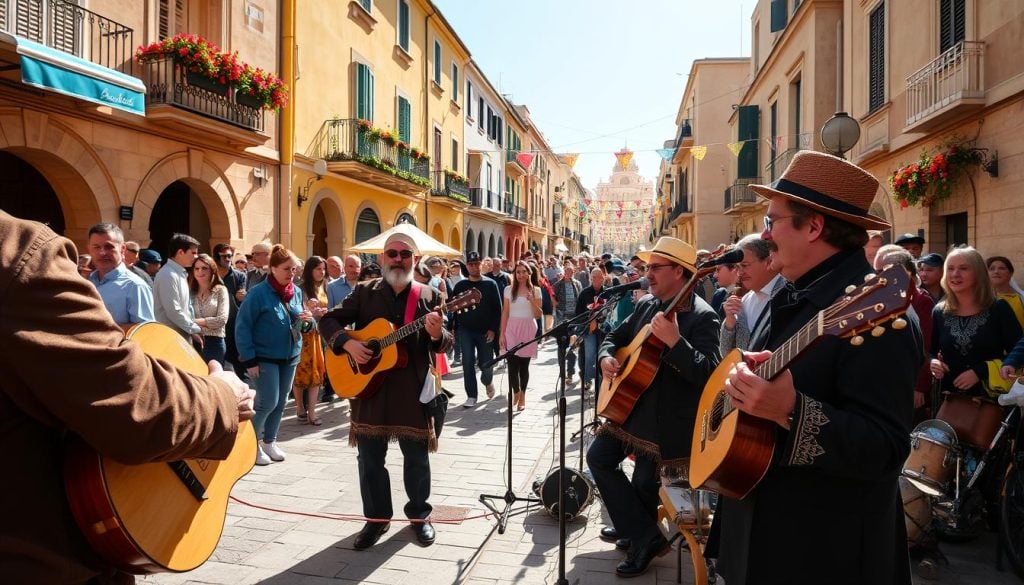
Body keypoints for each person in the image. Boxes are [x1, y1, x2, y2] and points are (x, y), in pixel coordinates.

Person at [0, 210, 254, 583]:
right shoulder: (16, 249)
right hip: (43, 559)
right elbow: (131, 398)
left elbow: (141, 333)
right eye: (97, 247)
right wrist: (223, 398)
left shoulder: (133, 283)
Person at [706, 151, 924, 585]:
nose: (764, 235)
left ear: (814, 226)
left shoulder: (879, 314)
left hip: (823, 552)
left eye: (772, 221)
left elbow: (884, 450)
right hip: (763, 534)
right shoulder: (794, 294)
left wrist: (791, 410)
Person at [587, 237, 721, 578]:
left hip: (666, 424)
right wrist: (605, 358)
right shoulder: (648, 304)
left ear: (680, 272)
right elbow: (614, 337)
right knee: (598, 457)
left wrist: (676, 342)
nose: (648, 275)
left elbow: (708, 374)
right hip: (629, 410)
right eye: (647, 268)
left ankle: (639, 540)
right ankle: (643, 534)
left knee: (645, 482)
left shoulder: (703, 317)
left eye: (654, 268)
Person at [318, 233, 453, 550]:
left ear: (414, 260)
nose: (398, 258)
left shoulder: (429, 295)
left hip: (411, 390)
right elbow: (328, 321)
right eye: (391, 253)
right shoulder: (364, 292)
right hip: (370, 391)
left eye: (405, 254)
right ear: (381, 259)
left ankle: (420, 517)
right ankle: (376, 521)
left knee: (417, 459)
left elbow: (447, 341)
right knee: (369, 460)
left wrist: (437, 335)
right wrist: (348, 343)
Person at [235, 244, 314, 466]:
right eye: (288, 269)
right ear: (273, 269)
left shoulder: (296, 292)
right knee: (267, 402)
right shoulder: (258, 293)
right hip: (264, 357)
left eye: (295, 269)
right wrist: (249, 359)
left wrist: (308, 322)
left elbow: (301, 321)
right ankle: (251, 445)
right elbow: (243, 326)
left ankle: (270, 441)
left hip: (290, 356)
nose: (293, 273)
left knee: (280, 402)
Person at [929, 247, 1022, 398]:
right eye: (950, 268)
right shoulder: (940, 311)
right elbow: (929, 351)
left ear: (979, 274)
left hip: (991, 401)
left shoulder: (999, 308)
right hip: (949, 399)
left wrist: (981, 371)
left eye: (963, 268)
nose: (955, 274)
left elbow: (1018, 353)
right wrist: (933, 362)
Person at [451, 251, 502, 407]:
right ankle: (471, 395)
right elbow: (453, 307)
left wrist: (493, 329)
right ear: (467, 266)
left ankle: (487, 381)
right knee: (467, 362)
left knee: (486, 364)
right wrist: (454, 328)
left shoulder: (490, 284)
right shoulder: (460, 286)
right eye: (471, 264)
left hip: (485, 331)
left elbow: (497, 309)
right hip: (466, 331)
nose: (474, 267)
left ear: (481, 265)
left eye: (477, 264)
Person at [719, 235, 783, 354]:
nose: (739, 273)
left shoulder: (790, 294)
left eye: (744, 265)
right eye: (737, 267)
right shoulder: (745, 301)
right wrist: (729, 322)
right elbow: (726, 354)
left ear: (768, 261)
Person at [86, 223, 154, 327]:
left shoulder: (135, 286)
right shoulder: (86, 282)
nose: (102, 253)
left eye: (109, 247)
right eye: (96, 247)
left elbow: (145, 330)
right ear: (89, 249)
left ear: (122, 249)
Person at [500, 261, 543, 411]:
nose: (521, 275)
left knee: (524, 365)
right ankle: (516, 391)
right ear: (514, 274)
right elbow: (505, 312)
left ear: (529, 273)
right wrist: (502, 334)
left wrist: (531, 300)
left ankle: (523, 396)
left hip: (528, 328)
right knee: (512, 364)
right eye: (518, 272)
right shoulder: (507, 290)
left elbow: (538, 314)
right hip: (511, 328)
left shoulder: (536, 290)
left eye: (524, 271)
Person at [293, 256, 329, 425]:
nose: (322, 272)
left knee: (317, 373)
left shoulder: (325, 285)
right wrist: (311, 312)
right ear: (310, 270)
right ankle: (300, 407)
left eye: (323, 269)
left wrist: (324, 312)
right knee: (300, 374)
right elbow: (296, 313)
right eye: (318, 269)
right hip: (303, 335)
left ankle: (312, 413)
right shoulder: (299, 288)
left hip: (319, 335)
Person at [153, 233, 203, 348]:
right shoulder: (168, 275)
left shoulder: (178, 273)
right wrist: (195, 329)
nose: (196, 257)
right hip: (170, 339)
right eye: (193, 253)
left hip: (179, 336)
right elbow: (173, 311)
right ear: (180, 252)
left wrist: (192, 329)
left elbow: (184, 308)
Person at [189, 253, 230, 366]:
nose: (200, 271)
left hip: (215, 342)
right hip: (193, 341)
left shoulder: (221, 290)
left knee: (213, 380)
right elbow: (182, 317)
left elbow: (221, 320)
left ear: (212, 270)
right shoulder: (190, 293)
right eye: (196, 268)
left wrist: (193, 321)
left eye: (204, 268)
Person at [575, 267, 608, 392]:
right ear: (590, 278)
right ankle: (587, 379)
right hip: (589, 330)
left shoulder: (607, 292)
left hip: (603, 330)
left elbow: (610, 311)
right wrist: (589, 322)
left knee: (601, 357)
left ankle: (600, 385)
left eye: (598, 277)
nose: (595, 279)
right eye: (593, 277)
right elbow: (578, 314)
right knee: (589, 356)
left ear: (603, 278)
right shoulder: (584, 293)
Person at [552, 264, 582, 384]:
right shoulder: (558, 285)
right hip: (562, 319)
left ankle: (570, 372)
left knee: (572, 346)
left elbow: (579, 299)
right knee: (561, 347)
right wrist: (557, 307)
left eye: (571, 271)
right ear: (564, 271)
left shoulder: (577, 284)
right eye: (567, 271)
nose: (569, 273)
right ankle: (562, 372)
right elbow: (552, 297)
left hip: (574, 319)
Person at [987, 255, 1024, 329]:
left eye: (1002, 268)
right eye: (991, 269)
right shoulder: (980, 299)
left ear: (1011, 273)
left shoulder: (1021, 299)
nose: (996, 271)